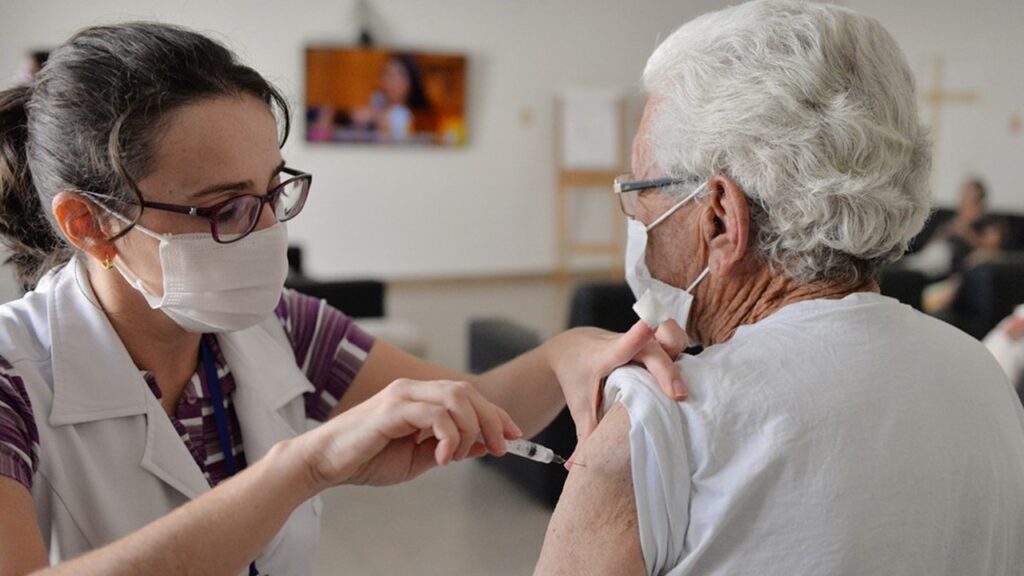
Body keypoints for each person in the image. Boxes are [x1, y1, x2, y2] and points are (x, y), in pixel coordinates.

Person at [0, 23, 684, 575]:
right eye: (226, 208)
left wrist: (567, 353)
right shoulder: (13, 375)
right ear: (88, 225)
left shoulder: (285, 329)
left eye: (274, 192)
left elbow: (478, 405)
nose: (270, 231)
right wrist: (306, 466)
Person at [534, 1, 1024, 575]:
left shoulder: (662, 424)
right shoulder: (982, 378)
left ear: (719, 217)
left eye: (642, 188)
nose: (637, 216)